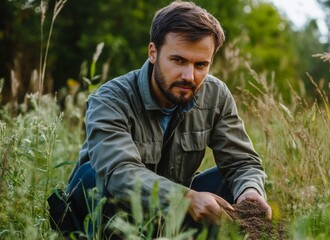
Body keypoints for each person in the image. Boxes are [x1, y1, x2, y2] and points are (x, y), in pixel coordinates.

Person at [64, 0, 272, 237]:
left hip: (168, 215)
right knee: (92, 175)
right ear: (153, 52)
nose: (189, 76)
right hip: (108, 213)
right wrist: (185, 198)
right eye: (178, 60)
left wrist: (250, 193)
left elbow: (242, 162)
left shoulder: (216, 95)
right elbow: (120, 171)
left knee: (231, 180)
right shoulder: (110, 99)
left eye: (201, 65)